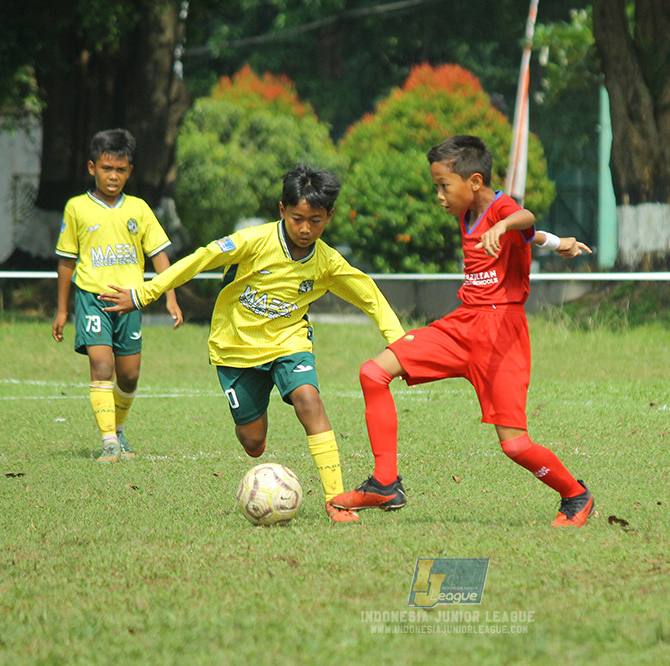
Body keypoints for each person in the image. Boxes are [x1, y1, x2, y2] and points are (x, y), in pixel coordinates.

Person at [99, 164, 405, 523]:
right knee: (253, 443)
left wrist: (400, 346)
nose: (306, 229)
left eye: (316, 220)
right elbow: (200, 259)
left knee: (309, 400)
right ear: (282, 211)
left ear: (329, 217)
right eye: (297, 218)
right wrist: (143, 294)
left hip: (289, 343)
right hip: (235, 349)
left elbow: (369, 295)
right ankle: (256, 419)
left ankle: (335, 500)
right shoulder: (253, 241)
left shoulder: (327, 263)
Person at [331, 135, 596, 527]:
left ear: (474, 182)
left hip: (501, 337)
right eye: (436, 186)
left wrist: (503, 222)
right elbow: (531, 236)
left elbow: (525, 220)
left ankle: (575, 495)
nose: (439, 195)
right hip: (463, 324)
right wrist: (559, 243)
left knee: (516, 445)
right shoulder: (465, 212)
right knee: (373, 372)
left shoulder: (500, 208)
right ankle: (385, 483)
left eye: (443, 186)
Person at [53, 128, 183, 464]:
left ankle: (119, 429)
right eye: (107, 169)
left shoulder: (138, 209)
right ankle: (109, 442)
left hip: (130, 301)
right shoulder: (77, 208)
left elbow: (159, 255)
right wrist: (62, 310)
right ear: (92, 167)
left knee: (129, 376)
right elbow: (66, 260)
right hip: (92, 298)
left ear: (129, 171)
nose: (113, 176)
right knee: (101, 366)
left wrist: (170, 296)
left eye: (120, 170)